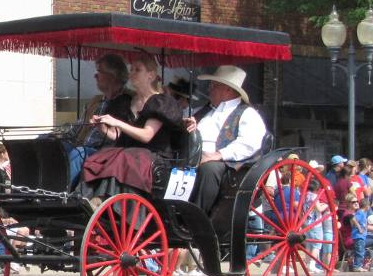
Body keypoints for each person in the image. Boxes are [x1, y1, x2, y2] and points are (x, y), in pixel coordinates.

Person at [80, 54, 184, 202]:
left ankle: (103, 199)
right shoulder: (127, 101)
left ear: (151, 75)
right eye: (131, 69)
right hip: (131, 153)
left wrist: (117, 122)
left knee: (122, 158)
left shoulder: (161, 102)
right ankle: (84, 198)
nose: (132, 73)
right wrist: (101, 127)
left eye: (137, 70)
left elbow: (147, 135)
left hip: (153, 157)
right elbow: (117, 135)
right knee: (101, 156)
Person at [185, 66, 268, 215]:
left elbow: (249, 143)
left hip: (230, 166)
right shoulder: (206, 111)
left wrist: (218, 154)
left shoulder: (248, 114)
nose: (209, 89)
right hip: (194, 157)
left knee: (210, 169)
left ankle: (197, 217)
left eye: (214, 86)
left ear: (228, 90)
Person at [66, 54, 132, 188]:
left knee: (80, 153)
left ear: (113, 76)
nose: (95, 76)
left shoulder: (127, 101)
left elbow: (118, 136)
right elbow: (75, 130)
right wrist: (56, 135)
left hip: (106, 153)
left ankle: (59, 192)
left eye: (99, 72)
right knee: (53, 144)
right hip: (81, 145)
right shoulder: (95, 101)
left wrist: (102, 128)